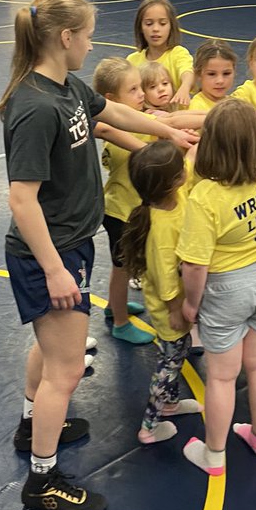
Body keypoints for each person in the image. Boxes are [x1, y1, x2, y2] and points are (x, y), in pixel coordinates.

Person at [0, 0, 193, 510]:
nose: (90, 44)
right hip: (52, 252)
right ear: (65, 38)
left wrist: (168, 130)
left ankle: (31, 423)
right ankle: (43, 481)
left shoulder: (65, 87)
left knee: (50, 348)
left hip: (71, 243)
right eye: (86, 35)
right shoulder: (36, 106)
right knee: (65, 371)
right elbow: (21, 199)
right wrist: (54, 269)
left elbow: (113, 115)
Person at [177, 98, 256, 475]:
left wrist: (191, 304)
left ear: (211, 146)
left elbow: (195, 264)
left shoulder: (206, 196)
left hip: (227, 288)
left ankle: (214, 454)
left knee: (222, 376)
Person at [121, 141, 203, 444]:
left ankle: (170, 404)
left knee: (179, 354)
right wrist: (175, 309)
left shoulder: (175, 195)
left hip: (178, 302)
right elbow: (163, 277)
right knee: (169, 364)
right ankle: (149, 427)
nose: (185, 169)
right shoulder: (161, 229)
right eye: (180, 168)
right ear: (172, 180)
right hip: (170, 308)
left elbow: (191, 161)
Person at [91, 58, 155, 346]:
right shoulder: (117, 134)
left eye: (141, 87)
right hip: (121, 214)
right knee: (122, 269)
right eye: (133, 90)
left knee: (124, 266)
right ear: (112, 100)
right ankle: (120, 321)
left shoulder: (135, 122)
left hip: (129, 210)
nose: (142, 94)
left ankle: (113, 306)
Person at [128, 0, 194, 107]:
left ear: (171, 26)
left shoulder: (178, 53)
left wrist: (184, 87)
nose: (155, 29)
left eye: (162, 23)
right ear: (140, 27)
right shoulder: (132, 60)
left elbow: (187, 72)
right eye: (149, 24)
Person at [189, 40, 237, 110]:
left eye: (226, 73)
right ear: (198, 74)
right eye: (211, 74)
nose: (220, 81)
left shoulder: (233, 102)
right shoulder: (197, 107)